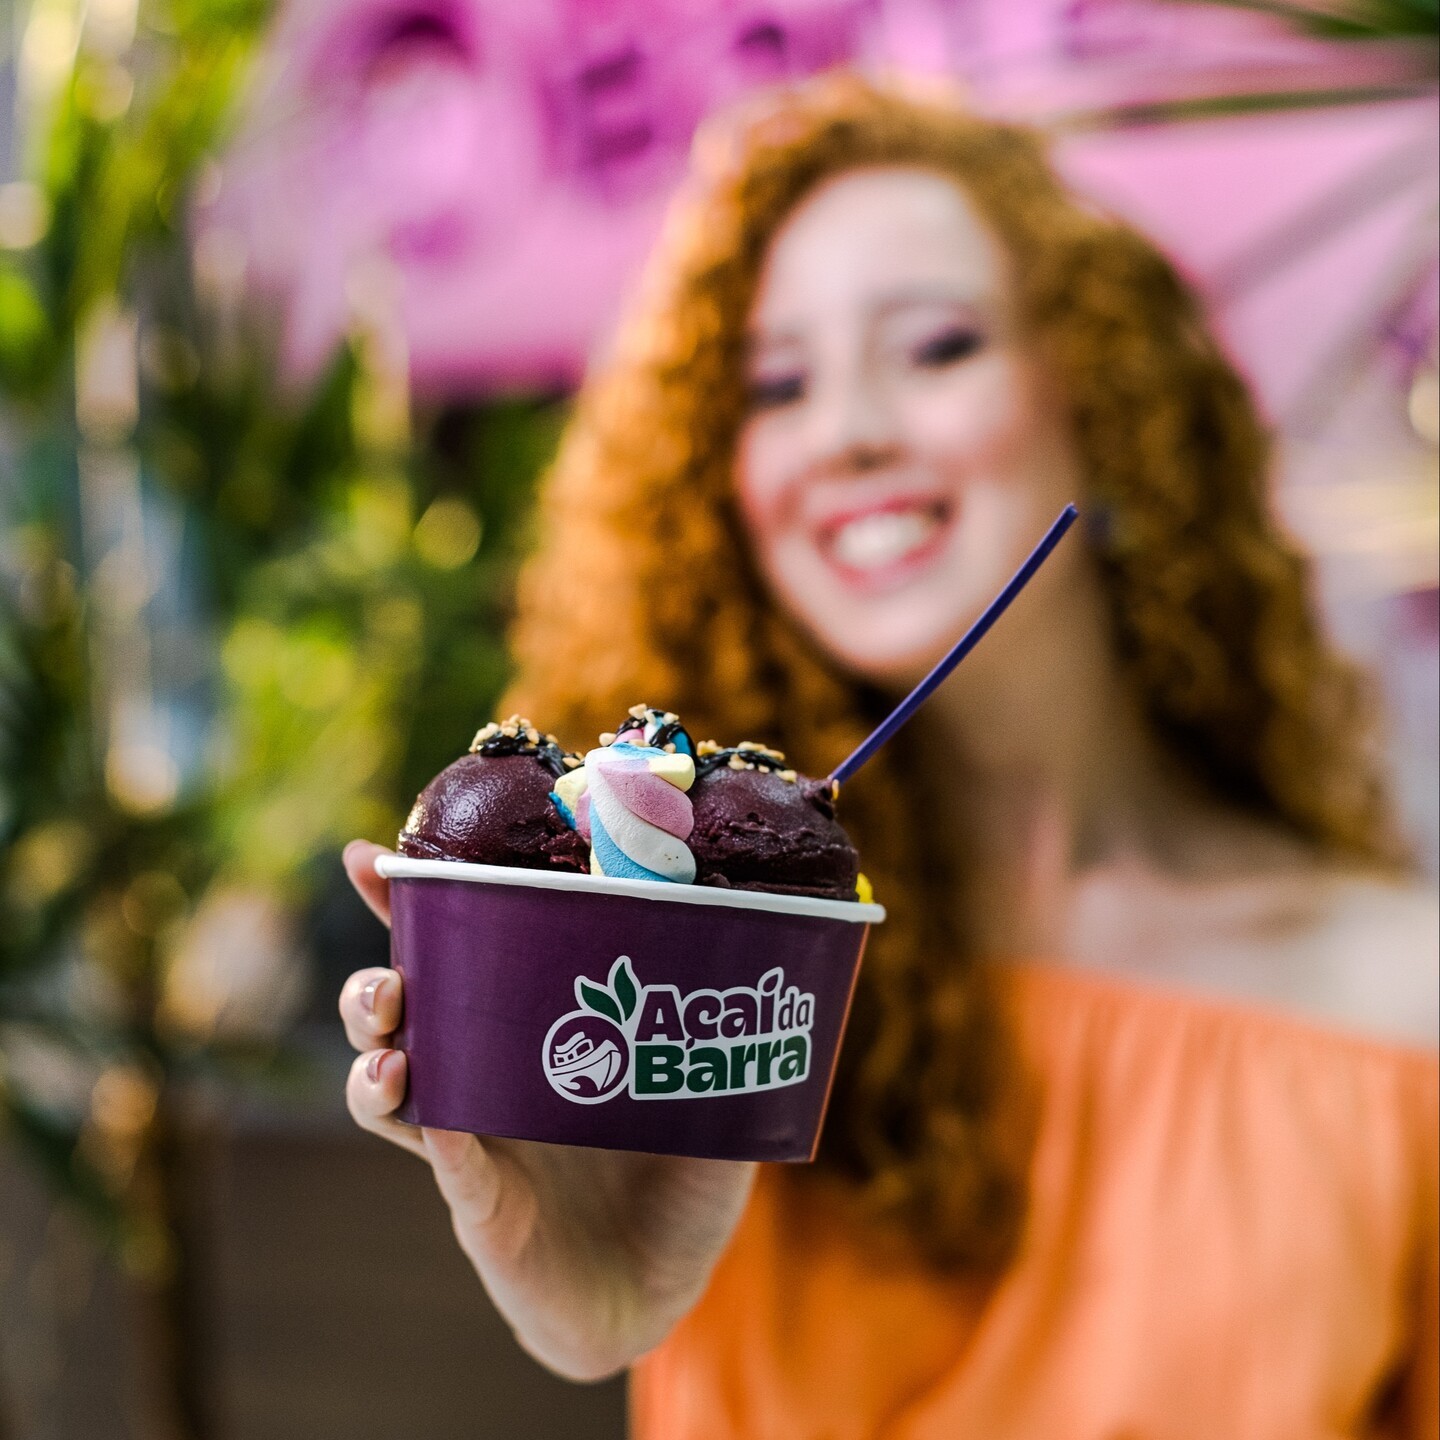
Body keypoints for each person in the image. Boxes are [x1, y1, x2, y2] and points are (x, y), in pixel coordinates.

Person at [338, 75, 1439, 1437]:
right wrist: (598, 1302)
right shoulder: (701, 975)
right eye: (776, 385)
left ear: (1107, 392)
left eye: (935, 347)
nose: (849, 431)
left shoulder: (1403, 1012)